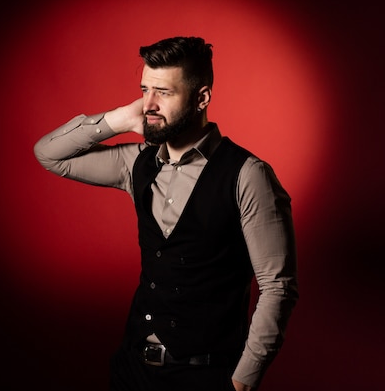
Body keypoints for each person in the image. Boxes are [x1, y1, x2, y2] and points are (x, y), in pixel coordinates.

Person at [34, 36, 298, 391]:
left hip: (204, 376)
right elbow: (49, 154)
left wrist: (243, 380)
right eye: (145, 89)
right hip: (133, 370)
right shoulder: (135, 162)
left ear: (202, 98)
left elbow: (277, 286)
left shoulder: (248, 175)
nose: (150, 104)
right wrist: (120, 119)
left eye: (164, 93)